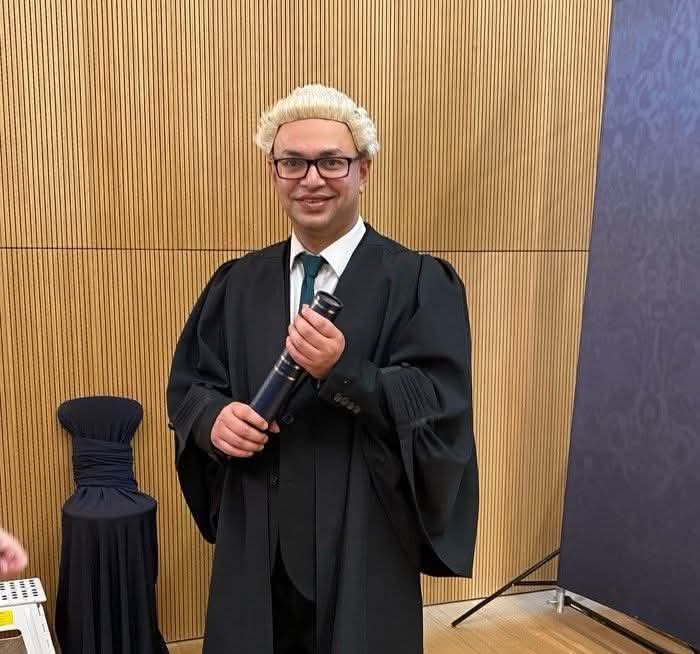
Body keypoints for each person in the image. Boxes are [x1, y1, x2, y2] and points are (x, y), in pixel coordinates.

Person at [167, 84, 478, 654]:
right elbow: (192, 385)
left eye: (332, 162)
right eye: (293, 162)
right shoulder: (237, 284)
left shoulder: (417, 282)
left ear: (364, 170)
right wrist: (213, 420)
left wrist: (346, 370)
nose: (311, 179)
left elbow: (438, 404)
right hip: (257, 530)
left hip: (362, 531)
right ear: (274, 173)